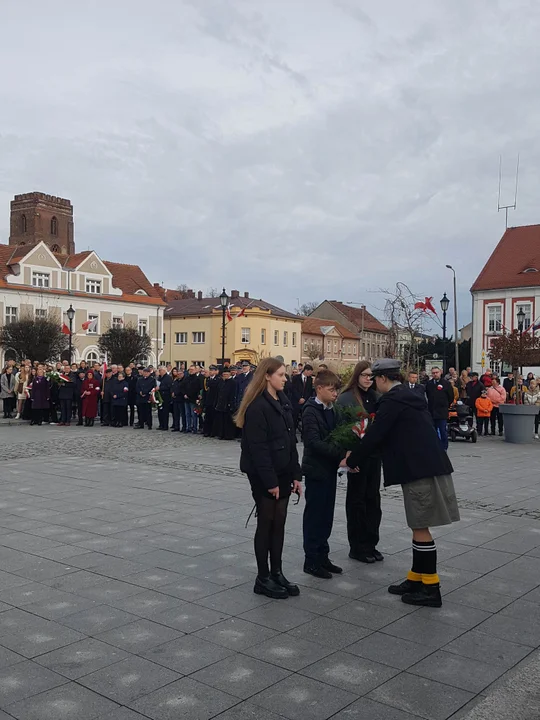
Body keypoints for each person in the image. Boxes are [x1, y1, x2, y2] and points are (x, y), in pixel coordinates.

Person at [346, 359, 459, 608]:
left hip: (420, 471)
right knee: (417, 525)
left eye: (375, 379)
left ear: (383, 379)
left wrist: (352, 458)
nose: (374, 384)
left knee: (420, 527)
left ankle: (430, 588)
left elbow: (377, 434)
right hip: (426, 467)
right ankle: (416, 578)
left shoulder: (393, 401)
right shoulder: (409, 396)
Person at [236, 357, 302, 600]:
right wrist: (271, 482)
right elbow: (258, 448)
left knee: (279, 523)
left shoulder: (283, 401)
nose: (285, 378)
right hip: (264, 474)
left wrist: (296, 474)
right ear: (267, 376)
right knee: (266, 523)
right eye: (281, 375)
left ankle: (277, 572)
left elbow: (290, 440)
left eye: (285, 375)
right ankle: (262, 577)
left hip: (283, 471)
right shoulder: (257, 407)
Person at [301, 370, 348, 579]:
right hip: (316, 470)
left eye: (336, 389)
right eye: (331, 390)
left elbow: (339, 434)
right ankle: (311, 560)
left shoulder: (332, 409)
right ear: (319, 389)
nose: (335, 393)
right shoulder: (310, 410)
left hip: (329, 470)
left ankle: (323, 555)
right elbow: (313, 442)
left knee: (327, 515)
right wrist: (340, 455)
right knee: (315, 516)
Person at [337, 361, 383, 563]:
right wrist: (347, 455)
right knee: (357, 501)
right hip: (356, 455)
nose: (368, 379)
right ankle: (357, 546)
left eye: (371, 376)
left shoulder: (376, 397)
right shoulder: (347, 398)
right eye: (364, 375)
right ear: (357, 376)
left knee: (373, 500)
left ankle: (371, 542)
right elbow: (341, 428)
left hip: (374, 455)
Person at [425, 367, 454, 450]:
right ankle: (434, 447)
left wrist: (445, 405)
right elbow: (428, 395)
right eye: (433, 373)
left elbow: (450, 396)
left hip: (442, 412)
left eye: (436, 372)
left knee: (443, 431)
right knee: (432, 432)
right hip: (431, 411)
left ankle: (444, 448)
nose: (435, 374)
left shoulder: (446, 383)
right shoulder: (429, 384)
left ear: (440, 372)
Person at [213, 367, 237, 440]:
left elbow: (234, 393)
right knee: (221, 420)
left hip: (228, 404)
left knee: (228, 421)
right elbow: (218, 393)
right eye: (224, 374)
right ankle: (221, 434)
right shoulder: (221, 382)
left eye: (226, 374)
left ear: (229, 374)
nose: (225, 376)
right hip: (221, 404)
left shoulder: (233, 382)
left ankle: (228, 435)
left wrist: (231, 403)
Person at [184, 365, 202, 433]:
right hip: (186, 398)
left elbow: (197, 389)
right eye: (190, 369)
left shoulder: (197, 379)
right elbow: (183, 387)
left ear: (195, 370)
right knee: (187, 414)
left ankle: (194, 428)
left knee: (193, 414)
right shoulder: (186, 378)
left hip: (193, 399)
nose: (191, 371)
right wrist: (185, 394)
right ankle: (188, 427)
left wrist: (192, 395)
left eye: (192, 369)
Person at [203, 365, 220, 436]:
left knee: (214, 417)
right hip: (208, 401)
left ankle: (213, 432)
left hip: (214, 401)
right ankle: (207, 431)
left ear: (216, 371)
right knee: (207, 417)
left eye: (212, 370)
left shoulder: (218, 379)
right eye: (210, 370)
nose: (210, 372)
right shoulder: (207, 379)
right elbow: (204, 391)